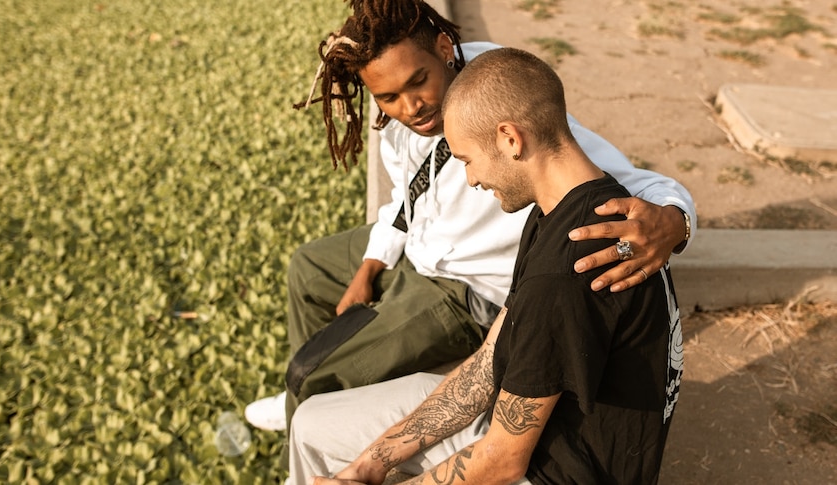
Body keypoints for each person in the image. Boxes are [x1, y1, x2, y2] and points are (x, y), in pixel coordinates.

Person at [245, 0, 695, 435]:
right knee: (307, 267)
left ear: (444, 49)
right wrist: (371, 265)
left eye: (418, 81)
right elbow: (406, 200)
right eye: (389, 97)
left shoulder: (494, 101)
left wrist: (675, 222)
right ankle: (306, 400)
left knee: (312, 374)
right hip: (420, 246)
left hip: (463, 289)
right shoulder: (400, 123)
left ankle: (308, 405)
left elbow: (624, 179)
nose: (410, 107)